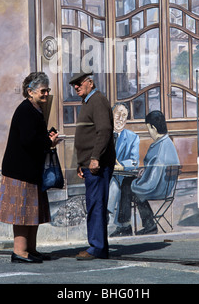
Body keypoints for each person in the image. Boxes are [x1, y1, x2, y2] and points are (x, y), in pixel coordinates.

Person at [0, 72, 58, 263]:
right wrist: (48, 141)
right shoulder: (25, 110)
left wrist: (47, 137)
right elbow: (28, 139)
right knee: (22, 212)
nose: (46, 94)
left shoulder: (35, 109)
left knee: (33, 212)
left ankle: (30, 249)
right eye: (43, 91)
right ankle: (19, 251)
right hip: (20, 172)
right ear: (30, 92)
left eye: (47, 90)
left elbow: (33, 136)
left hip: (30, 171)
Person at [69, 70, 115, 260]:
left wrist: (95, 158)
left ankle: (96, 247)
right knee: (94, 204)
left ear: (90, 83)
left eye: (79, 83)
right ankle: (99, 247)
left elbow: (104, 131)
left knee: (96, 204)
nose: (76, 87)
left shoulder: (97, 100)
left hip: (97, 165)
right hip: (90, 164)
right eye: (74, 85)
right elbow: (88, 134)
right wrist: (82, 163)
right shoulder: (88, 101)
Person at [114, 110, 180, 235]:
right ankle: (148, 224)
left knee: (128, 186)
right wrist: (146, 170)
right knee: (129, 185)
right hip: (165, 185)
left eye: (148, 128)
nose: (149, 132)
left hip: (159, 187)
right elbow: (155, 169)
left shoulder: (160, 148)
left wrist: (137, 184)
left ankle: (125, 226)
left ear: (153, 128)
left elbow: (151, 182)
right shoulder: (166, 143)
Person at [108, 103, 139, 236]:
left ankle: (107, 216)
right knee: (113, 185)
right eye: (118, 114)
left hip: (124, 176)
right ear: (111, 115)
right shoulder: (105, 134)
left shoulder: (132, 137)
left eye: (124, 115)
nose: (120, 118)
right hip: (106, 175)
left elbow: (134, 161)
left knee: (115, 186)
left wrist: (122, 165)